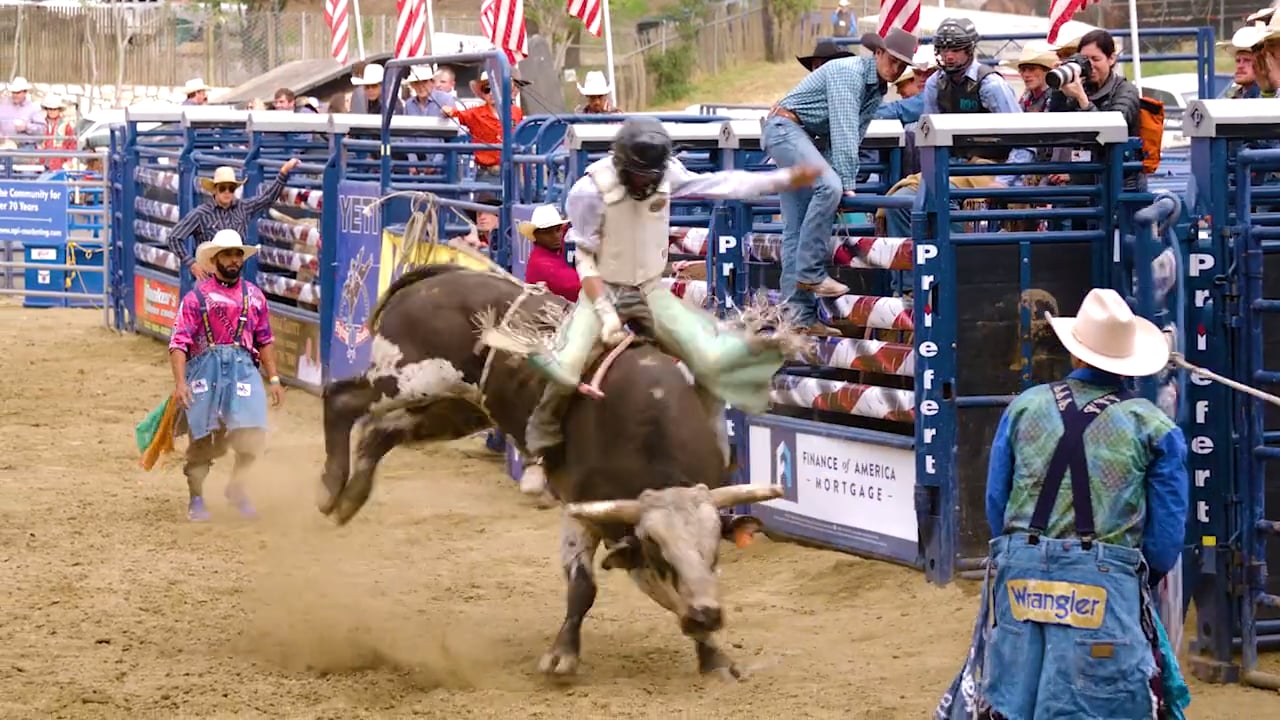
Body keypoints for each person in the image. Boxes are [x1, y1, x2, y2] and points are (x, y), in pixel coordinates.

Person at [513, 117, 822, 497]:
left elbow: (721, 184)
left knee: (711, 358)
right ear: (623, 166)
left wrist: (783, 180)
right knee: (566, 365)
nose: (646, 184)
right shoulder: (589, 192)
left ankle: (710, 450)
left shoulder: (666, 174)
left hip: (650, 289)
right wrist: (607, 313)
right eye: (639, 176)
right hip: (603, 289)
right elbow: (585, 258)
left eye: (651, 175)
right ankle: (538, 453)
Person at [959, 287, 1190, 718]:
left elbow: (997, 504)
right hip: (1106, 584)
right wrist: (1138, 578)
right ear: (1128, 365)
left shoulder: (1025, 408)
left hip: (1021, 574)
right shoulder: (1152, 427)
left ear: (1075, 354)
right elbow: (1165, 539)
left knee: (1012, 698)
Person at [762, 29, 917, 335]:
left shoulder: (875, 88)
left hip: (794, 134)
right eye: (893, 59)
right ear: (878, 53)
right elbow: (845, 132)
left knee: (796, 226)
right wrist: (845, 181)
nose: (897, 68)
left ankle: (799, 318)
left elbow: (853, 132)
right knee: (829, 187)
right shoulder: (849, 74)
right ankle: (810, 273)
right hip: (789, 131)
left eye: (902, 64)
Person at [168, 229, 285, 521]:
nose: (234, 260)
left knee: (254, 432)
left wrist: (274, 379)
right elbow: (179, 341)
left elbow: (264, 339)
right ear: (215, 258)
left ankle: (236, 487)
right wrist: (181, 383)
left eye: (237, 254)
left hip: (243, 369)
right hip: (206, 371)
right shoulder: (196, 298)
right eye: (228, 254)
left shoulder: (255, 297)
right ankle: (196, 497)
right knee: (203, 436)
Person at [166, 159, 301, 281]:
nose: (227, 192)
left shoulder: (243, 207)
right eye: (223, 188)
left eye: (231, 188)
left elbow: (268, 198)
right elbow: (174, 238)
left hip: (234, 277)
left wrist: (284, 171)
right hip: (209, 279)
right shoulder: (201, 213)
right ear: (215, 190)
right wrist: (192, 264)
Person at [519, 204, 580, 302]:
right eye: (547, 232)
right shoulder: (543, 265)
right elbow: (579, 288)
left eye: (558, 230)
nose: (555, 236)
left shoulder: (550, 248)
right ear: (536, 235)